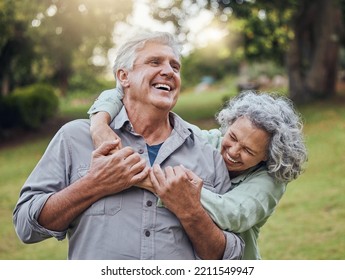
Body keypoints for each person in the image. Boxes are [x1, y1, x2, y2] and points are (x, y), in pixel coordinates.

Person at [13, 31, 244, 260]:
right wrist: (94, 185)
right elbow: (25, 226)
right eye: (155, 62)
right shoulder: (74, 138)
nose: (168, 71)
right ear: (124, 77)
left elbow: (230, 257)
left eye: (175, 67)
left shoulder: (207, 154)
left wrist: (191, 212)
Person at [88, 89, 308, 259]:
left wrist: (150, 181)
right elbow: (120, 89)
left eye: (248, 150)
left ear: (267, 156)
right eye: (232, 137)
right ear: (228, 124)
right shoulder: (206, 141)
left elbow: (232, 214)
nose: (232, 151)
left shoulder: (271, 179)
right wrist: (99, 124)